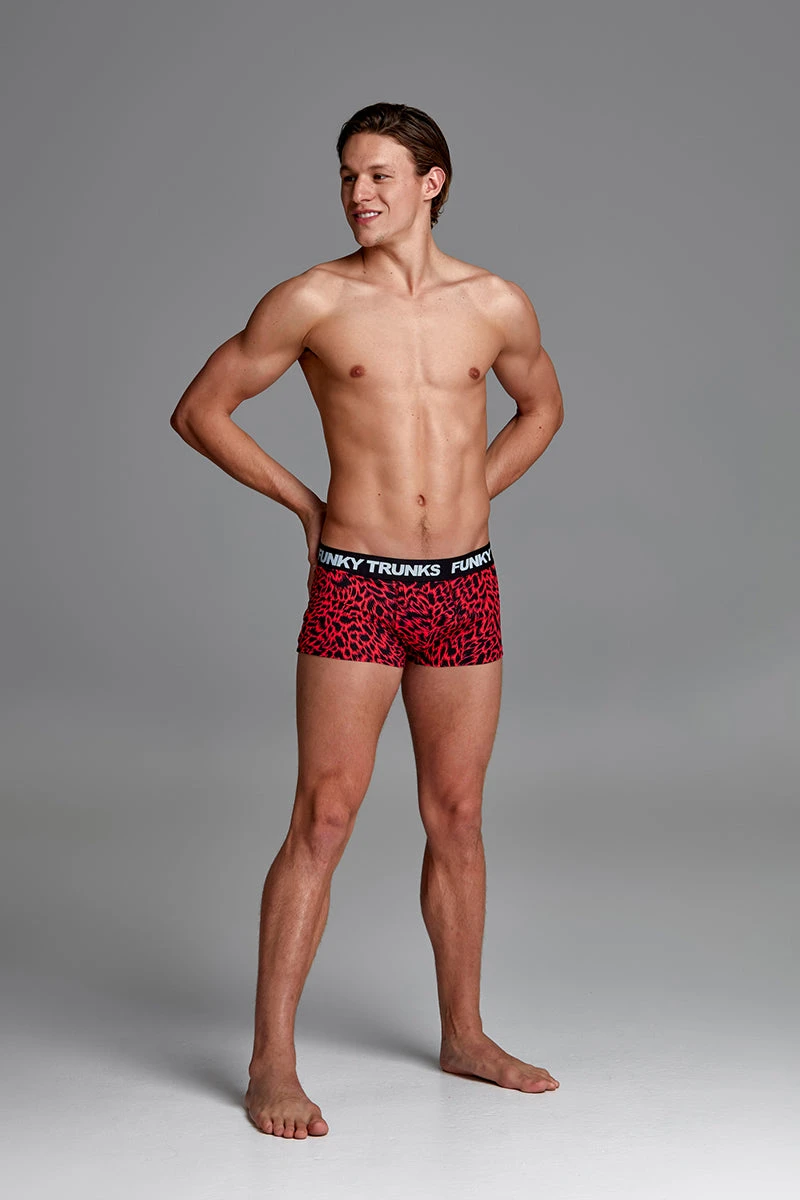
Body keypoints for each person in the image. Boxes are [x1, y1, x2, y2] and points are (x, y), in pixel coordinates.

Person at [170, 102, 564, 1139]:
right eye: (348, 176)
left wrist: (472, 491)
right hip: (357, 583)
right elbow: (200, 409)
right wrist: (305, 507)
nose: (358, 194)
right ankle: (271, 1062)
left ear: (432, 181)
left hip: (464, 584)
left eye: (380, 175)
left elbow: (542, 408)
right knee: (324, 817)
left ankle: (464, 1035)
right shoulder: (312, 299)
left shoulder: (496, 302)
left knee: (457, 816)